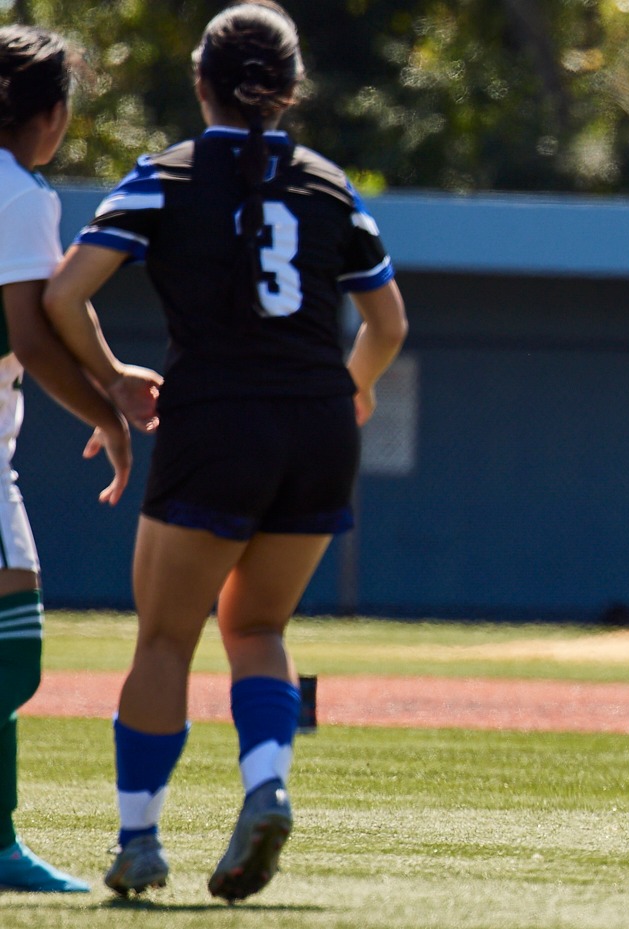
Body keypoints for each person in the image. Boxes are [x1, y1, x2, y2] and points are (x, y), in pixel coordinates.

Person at [41, 0, 407, 901]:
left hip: (217, 422)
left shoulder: (165, 175)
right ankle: (267, 782)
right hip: (317, 424)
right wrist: (353, 386)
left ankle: (138, 840)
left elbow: (64, 294)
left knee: (167, 635)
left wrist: (116, 377)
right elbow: (389, 322)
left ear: (200, 81)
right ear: (289, 90)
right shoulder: (329, 182)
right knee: (259, 627)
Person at [0, 23, 166, 894]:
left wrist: (107, 376)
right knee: (10, 655)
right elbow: (28, 327)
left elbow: (49, 308)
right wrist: (109, 413)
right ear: (52, 113)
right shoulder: (20, 193)